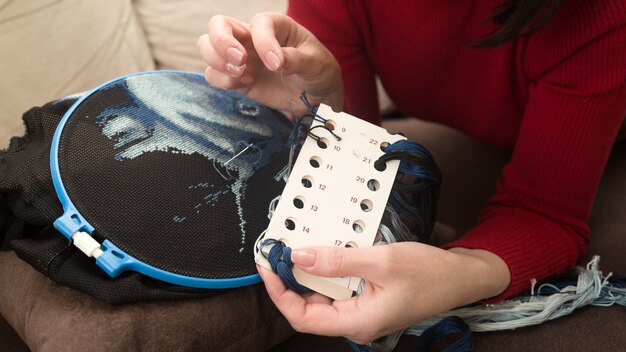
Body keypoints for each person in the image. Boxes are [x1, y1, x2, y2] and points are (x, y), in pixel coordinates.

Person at [196, 0, 626, 345]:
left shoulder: (600, 17)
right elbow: (368, 165)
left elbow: (545, 214)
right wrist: (325, 98)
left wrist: (460, 271)